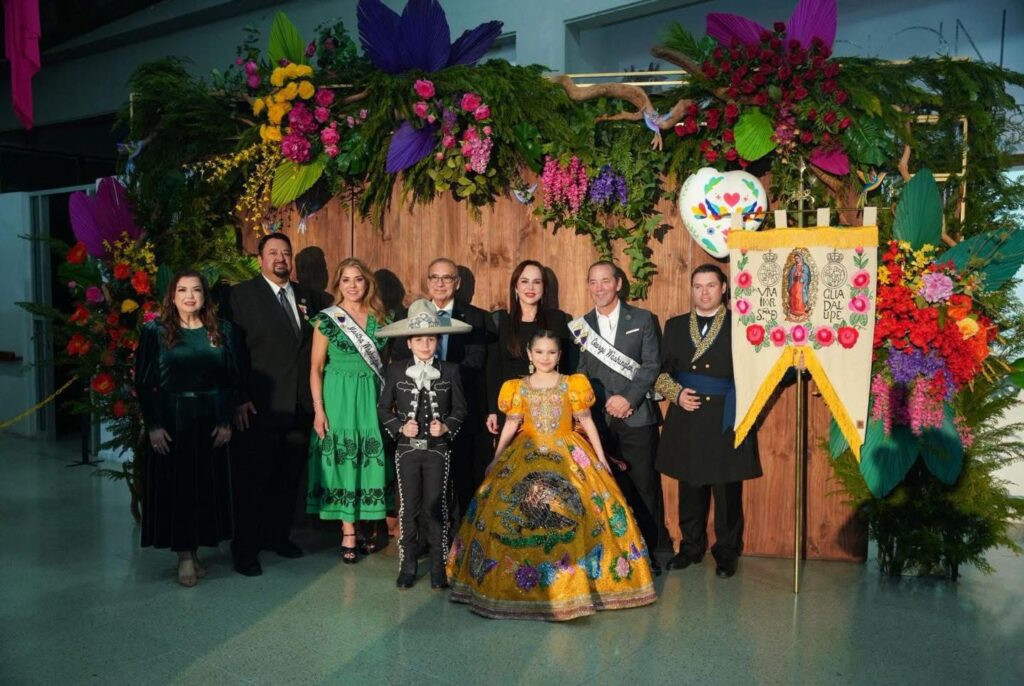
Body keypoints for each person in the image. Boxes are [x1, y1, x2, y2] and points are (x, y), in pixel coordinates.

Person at [447, 331, 657, 621]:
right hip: (526, 450)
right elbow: (511, 423)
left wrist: (599, 457)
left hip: (569, 452)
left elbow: (587, 421)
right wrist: (496, 458)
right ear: (530, 355)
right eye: (540, 352)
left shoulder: (573, 385)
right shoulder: (516, 388)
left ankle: (578, 585)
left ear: (560, 356)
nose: (546, 357)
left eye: (552, 352)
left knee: (577, 509)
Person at [223, 233, 332, 577]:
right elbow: (229, 351)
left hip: (298, 406)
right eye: (273, 253)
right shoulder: (239, 296)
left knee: (287, 479)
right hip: (258, 405)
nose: (281, 258)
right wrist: (238, 396)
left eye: (286, 252)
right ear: (260, 259)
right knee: (252, 481)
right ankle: (245, 549)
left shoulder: (308, 298)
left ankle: (277, 536)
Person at [654, 264, 762, 578]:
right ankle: (690, 547)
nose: (704, 292)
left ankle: (727, 552)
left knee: (727, 490)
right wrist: (676, 394)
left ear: (724, 288)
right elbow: (660, 373)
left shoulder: (741, 325)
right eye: (698, 286)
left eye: (711, 286)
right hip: (688, 413)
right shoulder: (674, 326)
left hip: (726, 413)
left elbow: (758, 371)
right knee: (690, 485)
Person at [135, 270, 240, 587]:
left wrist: (224, 420)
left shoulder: (223, 331)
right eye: (182, 290)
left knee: (204, 488)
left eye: (196, 290)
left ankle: (194, 552)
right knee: (178, 489)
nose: (190, 296)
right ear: (172, 296)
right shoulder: (154, 332)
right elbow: (143, 382)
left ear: (205, 296)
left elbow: (230, 380)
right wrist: (153, 425)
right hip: (172, 419)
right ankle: (183, 556)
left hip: (210, 419)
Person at [573, 261, 663, 573]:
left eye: (605, 281)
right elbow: (581, 373)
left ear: (618, 284)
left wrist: (628, 399)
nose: (599, 287)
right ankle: (612, 552)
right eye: (593, 282)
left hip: (636, 416)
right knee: (605, 487)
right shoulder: (582, 326)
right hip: (598, 421)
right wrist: (601, 402)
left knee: (643, 486)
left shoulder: (643, 319)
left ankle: (648, 554)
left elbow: (652, 365)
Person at [377, 300, 469, 589]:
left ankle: (439, 569)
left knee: (437, 507)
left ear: (438, 340)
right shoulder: (396, 370)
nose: (426, 345)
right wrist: (400, 427)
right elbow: (383, 409)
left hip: (437, 451)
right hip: (407, 451)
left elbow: (460, 410)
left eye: (431, 339)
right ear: (409, 342)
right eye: (420, 339)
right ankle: (407, 566)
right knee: (408, 509)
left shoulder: (451, 370)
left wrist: (445, 427)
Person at [307, 258, 393, 563]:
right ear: (338, 284)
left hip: (369, 393)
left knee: (368, 458)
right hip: (337, 395)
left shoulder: (382, 319)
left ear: (367, 283)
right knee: (343, 459)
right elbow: (316, 368)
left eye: (358, 279)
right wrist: (319, 410)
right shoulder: (326, 320)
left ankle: (371, 521)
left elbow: (389, 365)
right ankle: (348, 531)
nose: (353, 285)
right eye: (346, 280)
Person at [394, 257, 488, 520]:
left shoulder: (475, 317)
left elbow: (476, 360)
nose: (440, 283)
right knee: (421, 480)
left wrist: (442, 381)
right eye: (434, 277)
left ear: (456, 283)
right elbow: (400, 359)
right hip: (417, 410)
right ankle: (425, 536)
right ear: (427, 281)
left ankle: (461, 539)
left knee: (462, 474)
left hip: (458, 407)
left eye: (447, 278)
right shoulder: (407, 317)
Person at [485, 260, 575, 435]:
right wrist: (492, 410)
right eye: (524, 281)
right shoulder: (500, 320)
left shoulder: (556, 319)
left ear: (544, 288)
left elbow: (567, 366)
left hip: (549, 406)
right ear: (516, 287)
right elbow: (493, 369)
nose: (530, 287)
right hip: (511, 408)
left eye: (537, 281)